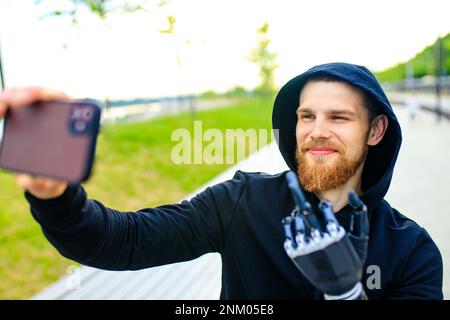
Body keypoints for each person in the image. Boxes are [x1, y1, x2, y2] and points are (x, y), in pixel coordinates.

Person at [0, 62, 443, 299]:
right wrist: (55, 196)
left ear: (376, 130)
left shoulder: (413, 252)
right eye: (306, 115)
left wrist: (347, 294)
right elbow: (120, 241)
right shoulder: (242, 200)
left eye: (339, 117)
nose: (316, 130)